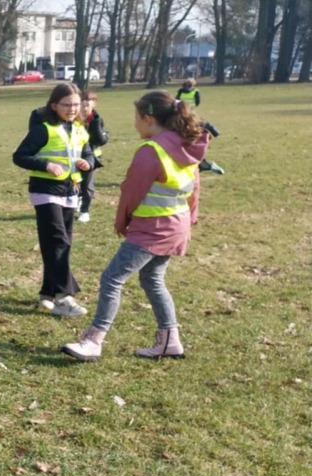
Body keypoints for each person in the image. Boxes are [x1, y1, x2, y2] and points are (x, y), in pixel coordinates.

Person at [61, 91, 209, 362]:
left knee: (112, 278)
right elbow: (195, 189)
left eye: (136, 117)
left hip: (153, 229)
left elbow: (132, 191)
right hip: (176, 226)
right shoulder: (186, 146)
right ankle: (170, 341)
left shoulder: (152, 150)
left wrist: (122, 221)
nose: (135, 123)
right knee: (152, 279)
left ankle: (93, 341)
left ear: (148, 119)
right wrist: (191, 218)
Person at [13, 83, 94, 317]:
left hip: (70, 191)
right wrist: (46, 165)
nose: (72, 109)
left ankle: (47, 293)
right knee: (58, 241)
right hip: (45, 191)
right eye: (66, 104)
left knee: (59, 243)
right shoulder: (43, 129)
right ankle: (63, 296)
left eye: (76, 104)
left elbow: (88, 153)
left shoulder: (79, 129)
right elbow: (20, 156)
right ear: (53, 105)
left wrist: (87, 163)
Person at [175, 79, 226, 175]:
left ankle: (207, 165)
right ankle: (206, 166)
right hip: (188, 121)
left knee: (191, 156)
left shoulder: (181, 97)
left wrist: (213, 129)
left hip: (190, 136)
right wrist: (214, 130)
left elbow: (201, 122)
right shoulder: (179, 113)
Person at [77, 90, 109, 223]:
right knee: (75, 182)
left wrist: (95, 124)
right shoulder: (73, 118)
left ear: (94, 104)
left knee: (87, 185)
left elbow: (102, 140)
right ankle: (78, 199)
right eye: (81, 104)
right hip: (74, 156)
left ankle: (84, 211)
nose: (83, 107)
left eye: (86, 104)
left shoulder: (97, 119)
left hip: (91, 158)